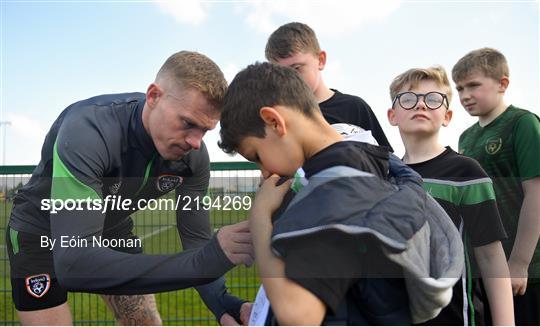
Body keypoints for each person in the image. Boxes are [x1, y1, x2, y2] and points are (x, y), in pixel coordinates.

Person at [6, 51, 252, 325]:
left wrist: (223, 303)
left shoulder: (193, 158)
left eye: (205, 130)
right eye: (187, 123)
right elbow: (75, 263)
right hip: (39, 233)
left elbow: (197, 241)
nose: (195, 142)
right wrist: (200, 263)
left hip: (112, 229)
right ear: (154, 96)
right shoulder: (89, 130)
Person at [218, 62, 464, 325]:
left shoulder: (334, 191)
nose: (265, 172)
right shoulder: (371, 161)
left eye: (257, 155)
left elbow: (298, 315)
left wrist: (260, 220)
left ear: (274, 122)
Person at [387, 65, 514, 325]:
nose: (421, 105)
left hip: (456, 317)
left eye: (433, 99)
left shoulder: (466, 171)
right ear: (392, 115)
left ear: (447, 115)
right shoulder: (386, 178)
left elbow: (491, 258)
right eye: (408, 99)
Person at [453, 47, 540, 325]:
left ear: (502, 83)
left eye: (473, 85)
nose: (465, 95)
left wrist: (520, 262)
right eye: (459, 88)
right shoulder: (466, 138)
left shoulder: (522, 123)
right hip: (487, 269)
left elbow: (536, 193)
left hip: (527, 267)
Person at [265, 22, 392, 150]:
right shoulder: (280, 119)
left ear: (321, 60)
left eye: (297, 68)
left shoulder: (355, 107)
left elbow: (387, 161)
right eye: (281, 73)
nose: (290, 80)